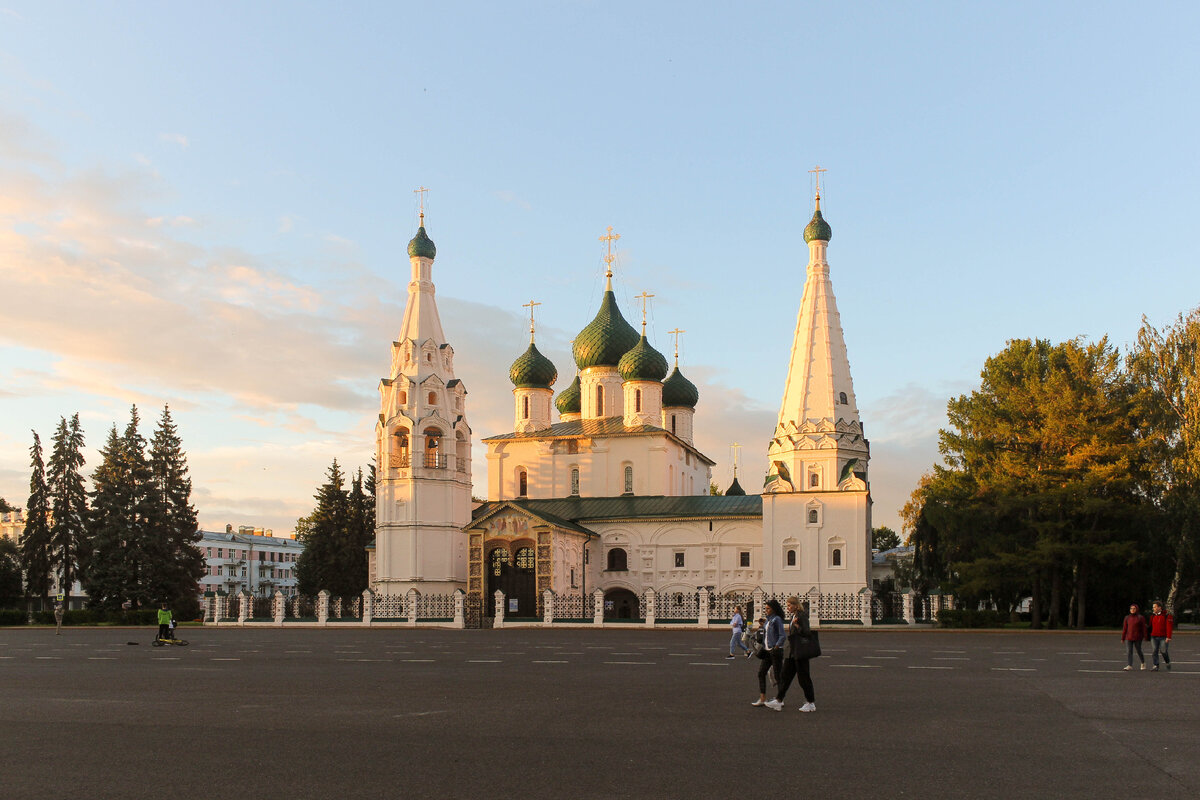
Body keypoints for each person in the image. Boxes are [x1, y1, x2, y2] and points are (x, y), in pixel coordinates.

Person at [767, 596, 816, 712]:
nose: (788, 607)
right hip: (792, 652)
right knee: (785, 676)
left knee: (803, 677)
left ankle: (810, 703)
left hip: (800, 652)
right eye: (787, 605)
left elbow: (807, 632)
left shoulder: (801, 616)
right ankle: (779, 700)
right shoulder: (793, 616)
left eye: (789, 605)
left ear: (796, 605)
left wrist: (798, 626)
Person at [750, 600, 785, 707]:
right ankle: (762, 698)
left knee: (778, 675)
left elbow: (782, 635)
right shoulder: (769, 620)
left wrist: (776, 646)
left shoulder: (777, 619)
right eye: (766, 608)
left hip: (775, 651)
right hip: (767, 650)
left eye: (768, 608)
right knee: (761, 673)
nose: (766, 610)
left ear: (774, 609)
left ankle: (780, 699)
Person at [1121, 603, 1148, 671]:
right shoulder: (1127, 617)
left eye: (1134, 608)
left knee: (1138, 650)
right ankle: (1129, 665)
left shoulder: (1140, 618)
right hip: (1129, 637)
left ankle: (1143, 662)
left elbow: (1144, 628)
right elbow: (1125, 628)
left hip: (1138, 637)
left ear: (1137, 609)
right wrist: (1123, 638)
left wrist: (1145, 636)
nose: (1132, 610)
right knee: (1129, 651)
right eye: (1131, 608)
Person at [1149, 601, 1174, 671]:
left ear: (1159, 607)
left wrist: (1168, 636)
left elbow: (1169, 627)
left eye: (1154, 607)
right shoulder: (1153, 616)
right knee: (1154, 651)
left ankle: (1167, 662)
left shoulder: (1166, 615)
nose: (1153, 608)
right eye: (1153, 607)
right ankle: (1155, 665)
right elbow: (1150, 627)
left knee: (1163, 651)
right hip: (1154, 636)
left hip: (1163, 637)